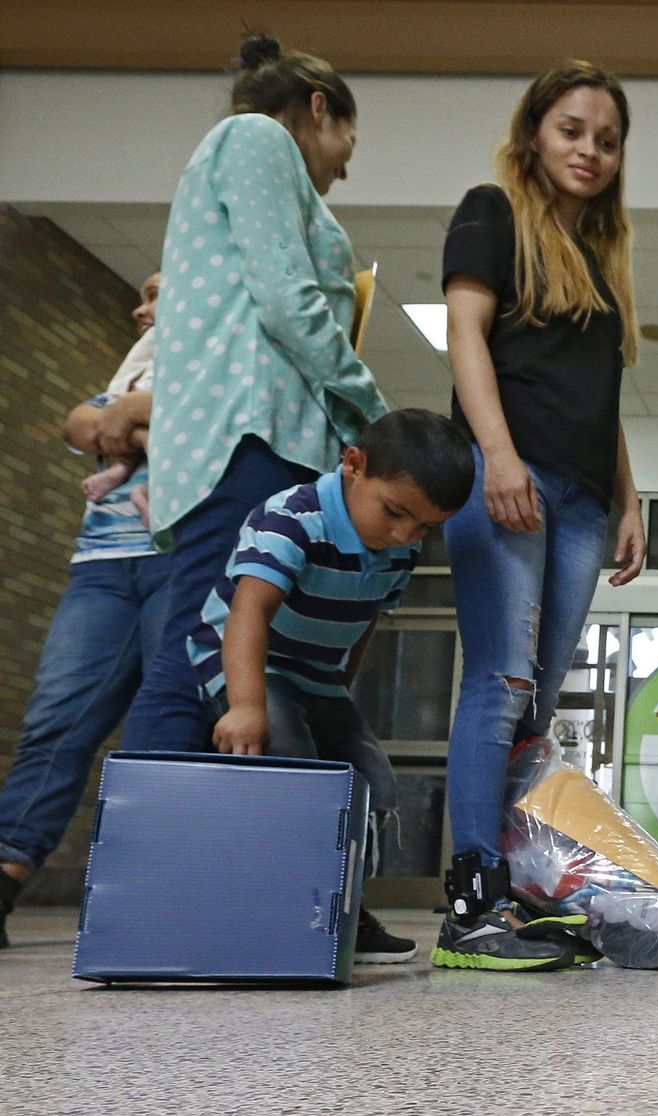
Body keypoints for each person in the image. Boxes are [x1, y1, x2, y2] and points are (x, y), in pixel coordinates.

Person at [433, 60, 647, 971]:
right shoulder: (492, 210)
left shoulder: (599, 259)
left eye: (605, 138)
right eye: (571, 130)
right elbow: (465, 336)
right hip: (505, 475)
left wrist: (629, 495)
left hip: (582, 494)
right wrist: (500, 457)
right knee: (500, 685)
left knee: (535, 704)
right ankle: (470, 904)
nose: (589, 150)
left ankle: (522, 895)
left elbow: (598, 396)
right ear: (533, 133)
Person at [118, 34, 386, 753]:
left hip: (258, 440)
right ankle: (142, 863)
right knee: (192, 662)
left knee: (220, 664)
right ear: (318, 108)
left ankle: (191, 858)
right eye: (346, 143)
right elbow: (287, 298)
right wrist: (375, 411)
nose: (345, 167)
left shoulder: (247, 155)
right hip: (248, 439)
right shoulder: (255, 137)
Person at [183, 410, 470, 963]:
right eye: (395, 512)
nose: (405, 535)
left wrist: (341, 691)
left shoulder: (400, 548)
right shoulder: (291, 517)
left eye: (425, 527)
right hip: (250, 661)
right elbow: (248, 612)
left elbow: (366, 621)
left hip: (315, 674)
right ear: (353, 465)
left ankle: (342, 910)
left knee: (369, 779)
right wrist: (245, 705)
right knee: (296, 766)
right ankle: (284, 912)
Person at [0, 274, 168, 948]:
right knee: (56, 716)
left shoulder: (217, 357)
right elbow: (84, 424)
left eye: (157, 293)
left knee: (166, 726)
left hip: (179, 558)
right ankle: (8, 871)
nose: (139, 306)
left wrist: (127, 423)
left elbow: (154, 427)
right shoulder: (138, 367)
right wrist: (127, 421)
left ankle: (149, 895)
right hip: (99, 568)